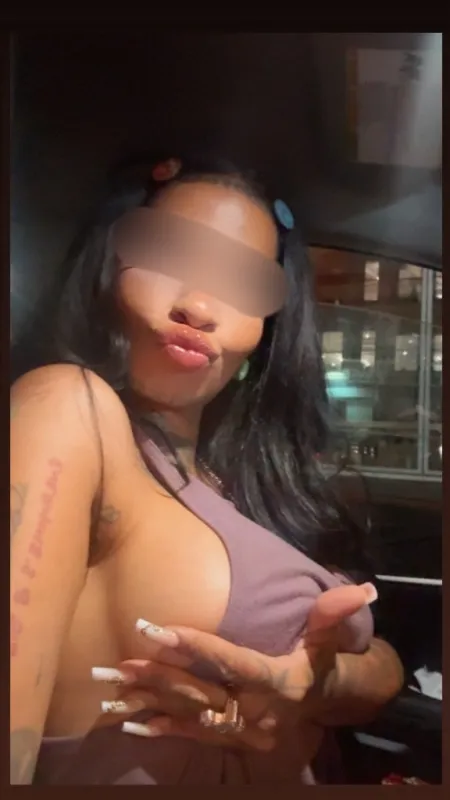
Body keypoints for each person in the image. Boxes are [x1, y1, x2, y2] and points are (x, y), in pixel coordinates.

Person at [10, 153, 404, 785]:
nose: (198, 304)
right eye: (169, 254)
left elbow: (382, 665)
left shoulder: (254, 483)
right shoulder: (66, 411)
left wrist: (313, 682)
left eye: (242, 281)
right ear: (107, 266)